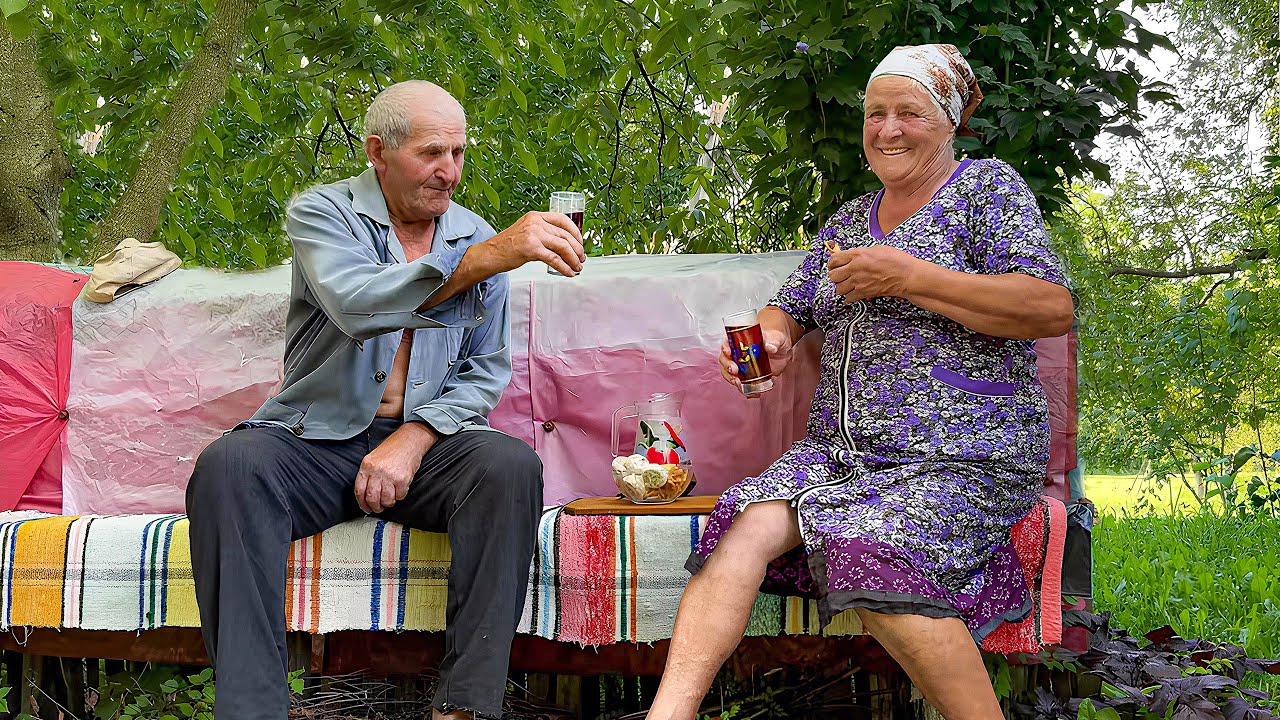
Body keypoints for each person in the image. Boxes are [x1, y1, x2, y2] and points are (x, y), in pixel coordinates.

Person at [647, 44, 1074, 720]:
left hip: (961, 455)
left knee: (865, 552)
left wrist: (911, 278)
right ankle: (667, 716)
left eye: (909, 112)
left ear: (951, 120)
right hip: (842, 457)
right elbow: (789, 306)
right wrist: (772, 341)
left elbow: (1050, 306)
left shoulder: (985, 189)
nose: (888, 128)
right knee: (746, 526)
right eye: (876, 113)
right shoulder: (849, 220)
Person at [185, 80, 586, 720]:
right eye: (431, 153)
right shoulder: (322, 214)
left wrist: (415, 436)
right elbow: (357, 304)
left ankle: (464, 707)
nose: (448, 171)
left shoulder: (476, 235)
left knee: (509, 467)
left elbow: (486, 370)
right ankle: (252, 710)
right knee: (229, 467)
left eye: (458, 152)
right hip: (315, 441)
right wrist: (484, 258)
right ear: (378, 150)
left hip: (424, 449)